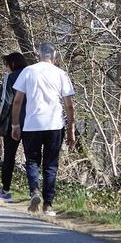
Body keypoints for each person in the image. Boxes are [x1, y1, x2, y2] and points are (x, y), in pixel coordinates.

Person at [8, 43, 76, 214]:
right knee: (51, 165)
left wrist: (15, 124)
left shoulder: (28, 71)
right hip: (54, 124)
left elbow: (17, 101)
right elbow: (69, 106)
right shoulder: (61, 74)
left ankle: (34, 192)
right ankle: (48, 205)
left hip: (32, 125)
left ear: (38, 55)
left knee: (32, 161)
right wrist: (71, 130)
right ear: (54, 58)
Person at [0, 51, 27, 200]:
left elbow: (5, 101)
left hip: (12, 123)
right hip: (32, 123)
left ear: (12, 64)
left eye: (7, 64)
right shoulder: (31, 76)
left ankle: (6, 191)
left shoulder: (10, 78)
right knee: (32, 159)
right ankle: (35, 192)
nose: (6, 67)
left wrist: (0, 121)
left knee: (9, 157)